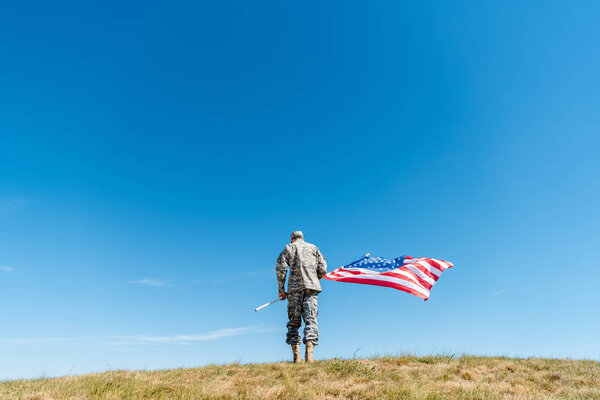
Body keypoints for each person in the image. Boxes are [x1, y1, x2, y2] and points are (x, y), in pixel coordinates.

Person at [276, 231, 327, 363]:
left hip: (294, 290)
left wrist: (281, 290)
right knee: (311, 319)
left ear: (292, 239)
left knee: (294, 322)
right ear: (302, 238)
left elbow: (281, 268)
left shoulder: (289, 247)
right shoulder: (313, 248)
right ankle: (309, 356)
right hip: (312, 288)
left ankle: (296, 357)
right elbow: (323, 268)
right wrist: (314, 278)